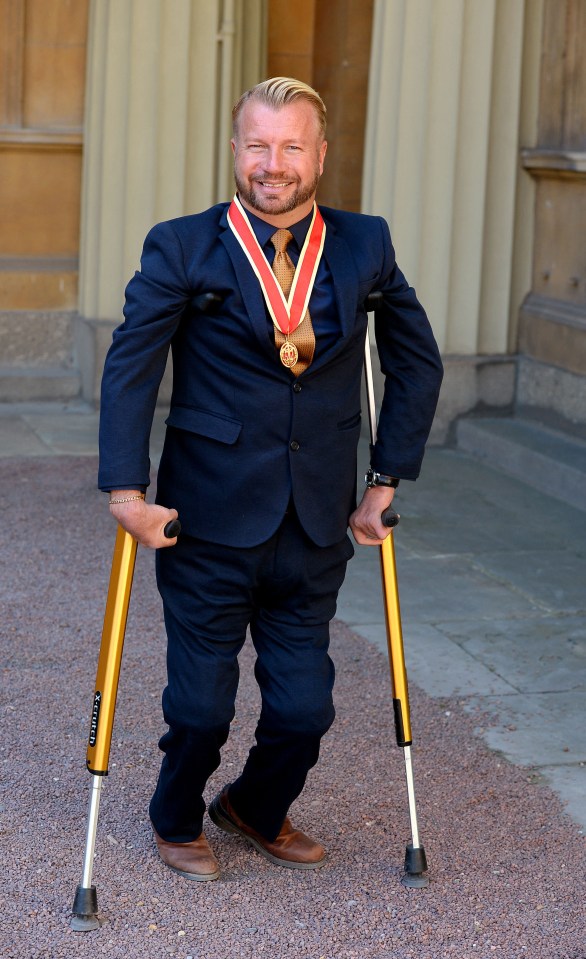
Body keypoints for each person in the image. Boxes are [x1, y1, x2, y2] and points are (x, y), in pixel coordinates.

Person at [98, 77, 443, 882]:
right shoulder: (183, 244)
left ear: (320, 155)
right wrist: (126, 493)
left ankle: (252, 806)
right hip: (206, 518)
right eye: (259, 144)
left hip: (317, 520)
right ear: (235, 150)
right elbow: (131, 368)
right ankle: (176, 814)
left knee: (304, 708)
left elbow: (416, 360)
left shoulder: (364, 244)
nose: (274, 163)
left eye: (292, 145)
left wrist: (385, 479)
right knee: (199, 706)